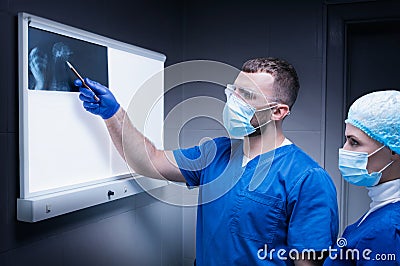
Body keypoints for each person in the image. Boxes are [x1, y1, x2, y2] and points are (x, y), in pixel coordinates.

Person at [76, 57, 339, 265]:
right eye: (234, 91)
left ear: (278, 112)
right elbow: (150, 160)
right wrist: (113, 114)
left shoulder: (307, 179)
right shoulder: (216, 152)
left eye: (247, 96)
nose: (234, 101)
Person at [324, 91, 400, 265]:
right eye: (346, 140)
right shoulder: (381, 212)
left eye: (354, 142)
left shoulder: (387, 230)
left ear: (393, 150)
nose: (344, 150)